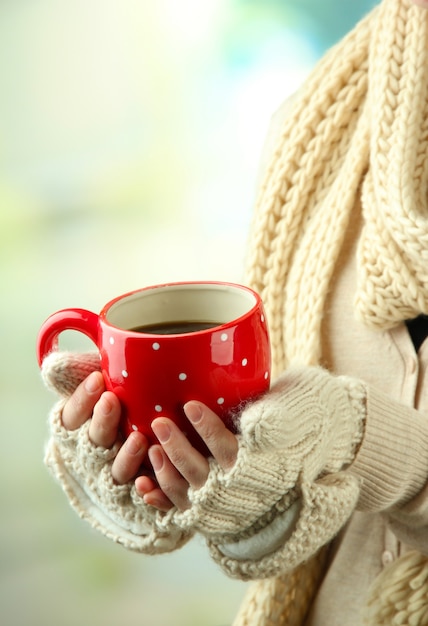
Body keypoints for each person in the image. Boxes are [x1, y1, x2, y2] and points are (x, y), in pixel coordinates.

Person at [40, 0, 428, 624]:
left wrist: (363, 439)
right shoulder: (318, 124)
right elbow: (287, 506)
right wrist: (235, 493)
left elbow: (345, 436)